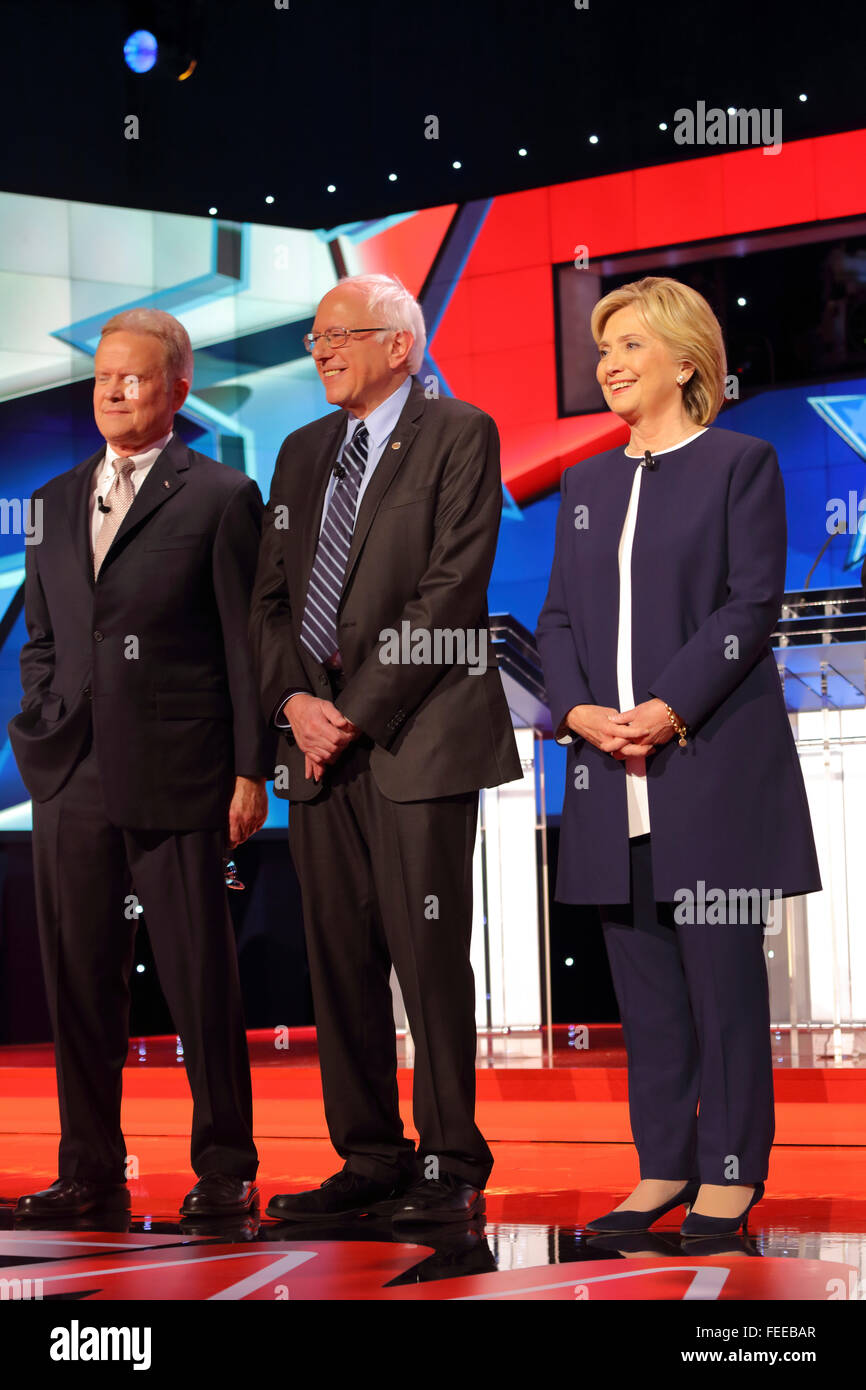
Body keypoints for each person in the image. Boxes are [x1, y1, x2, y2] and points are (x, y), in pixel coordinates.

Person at [536, 276, 821, 1237]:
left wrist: (663, 709)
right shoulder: (586, 483)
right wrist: (579, 711)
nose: (609, 363)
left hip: (708, 769)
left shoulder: (741, 462)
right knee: (645, 991)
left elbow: (750, 609)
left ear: (687, 362)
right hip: (606, 774)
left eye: (628, 347)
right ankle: (662, 1170)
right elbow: (561, 618)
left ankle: (732, 1174)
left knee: (724, 986)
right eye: (603, 347)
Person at [250, 273, 521, 1224]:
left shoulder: (460, 432)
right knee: (339, 960)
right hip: (316, 750)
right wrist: (293, 701)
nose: (321, 352)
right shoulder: (298, 453)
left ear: (399, 345)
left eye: (340, 336)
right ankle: (370, 1156)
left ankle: (452, 1161)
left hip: (419, 738)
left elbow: (450, 591)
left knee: (429, 953)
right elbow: (272, 601)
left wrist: (351, 710)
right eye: (315, 340)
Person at [9, 307, 270, 1220]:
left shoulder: (221, 496)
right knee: (79, 982)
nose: (114, 391)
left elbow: (248, 646)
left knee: (202, 979)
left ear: (178, 389)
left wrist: (251, 768)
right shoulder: (49, 500)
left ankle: (226, 1165)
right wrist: (40, 718)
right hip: (70, 780)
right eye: (103, 378)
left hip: (183, 773)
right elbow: (41, 637)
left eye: (133, 377)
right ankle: (88, 1167)